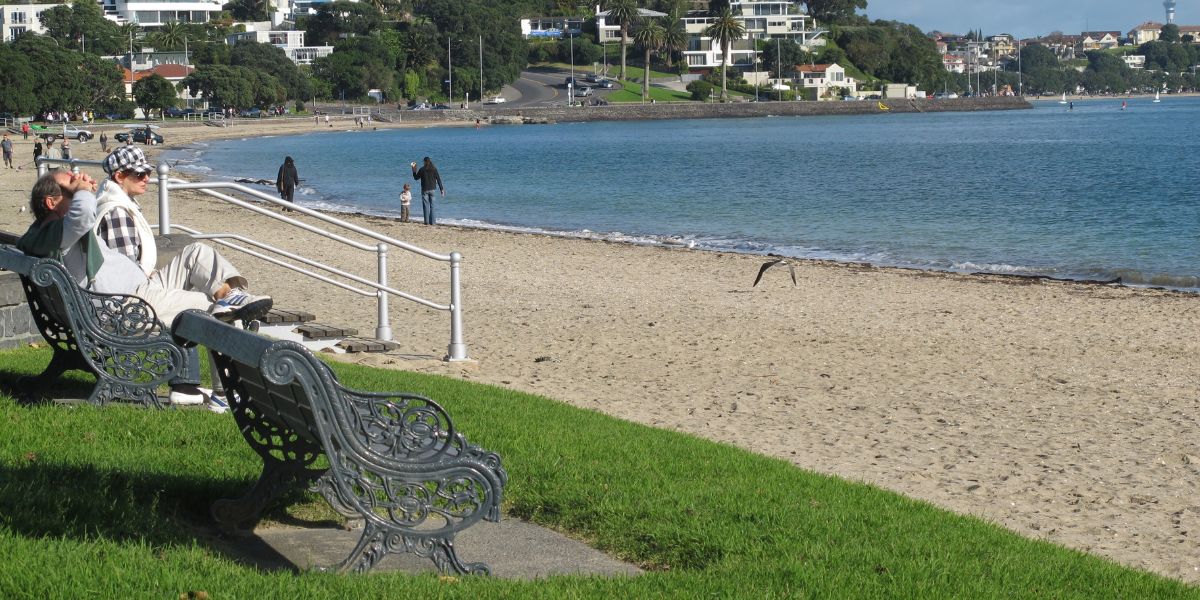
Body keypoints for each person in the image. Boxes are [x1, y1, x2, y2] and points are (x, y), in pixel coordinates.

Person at [21, 167, 272, 407]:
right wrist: (84, 191)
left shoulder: (52, 234)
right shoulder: (57, 232)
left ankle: (230, 294)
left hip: (141, 290)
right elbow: (84, 216)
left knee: (196, 253)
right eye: (70, 189)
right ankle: (224, 394)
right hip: (129, 306)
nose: (79, 187)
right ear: (51, 203)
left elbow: (83, 216)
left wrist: (79, 190)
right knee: (218, 313)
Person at [410, 157, 445, 225]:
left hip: (425, 190)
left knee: (426, 206)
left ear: (424, 162)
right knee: (433, 206)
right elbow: (438, 179)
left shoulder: (422, 169)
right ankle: (433, 222)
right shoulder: (434, 169)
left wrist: (414, 170)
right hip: (432, 189)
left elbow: (416, 178)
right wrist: (442, 189)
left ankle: (426, 222)